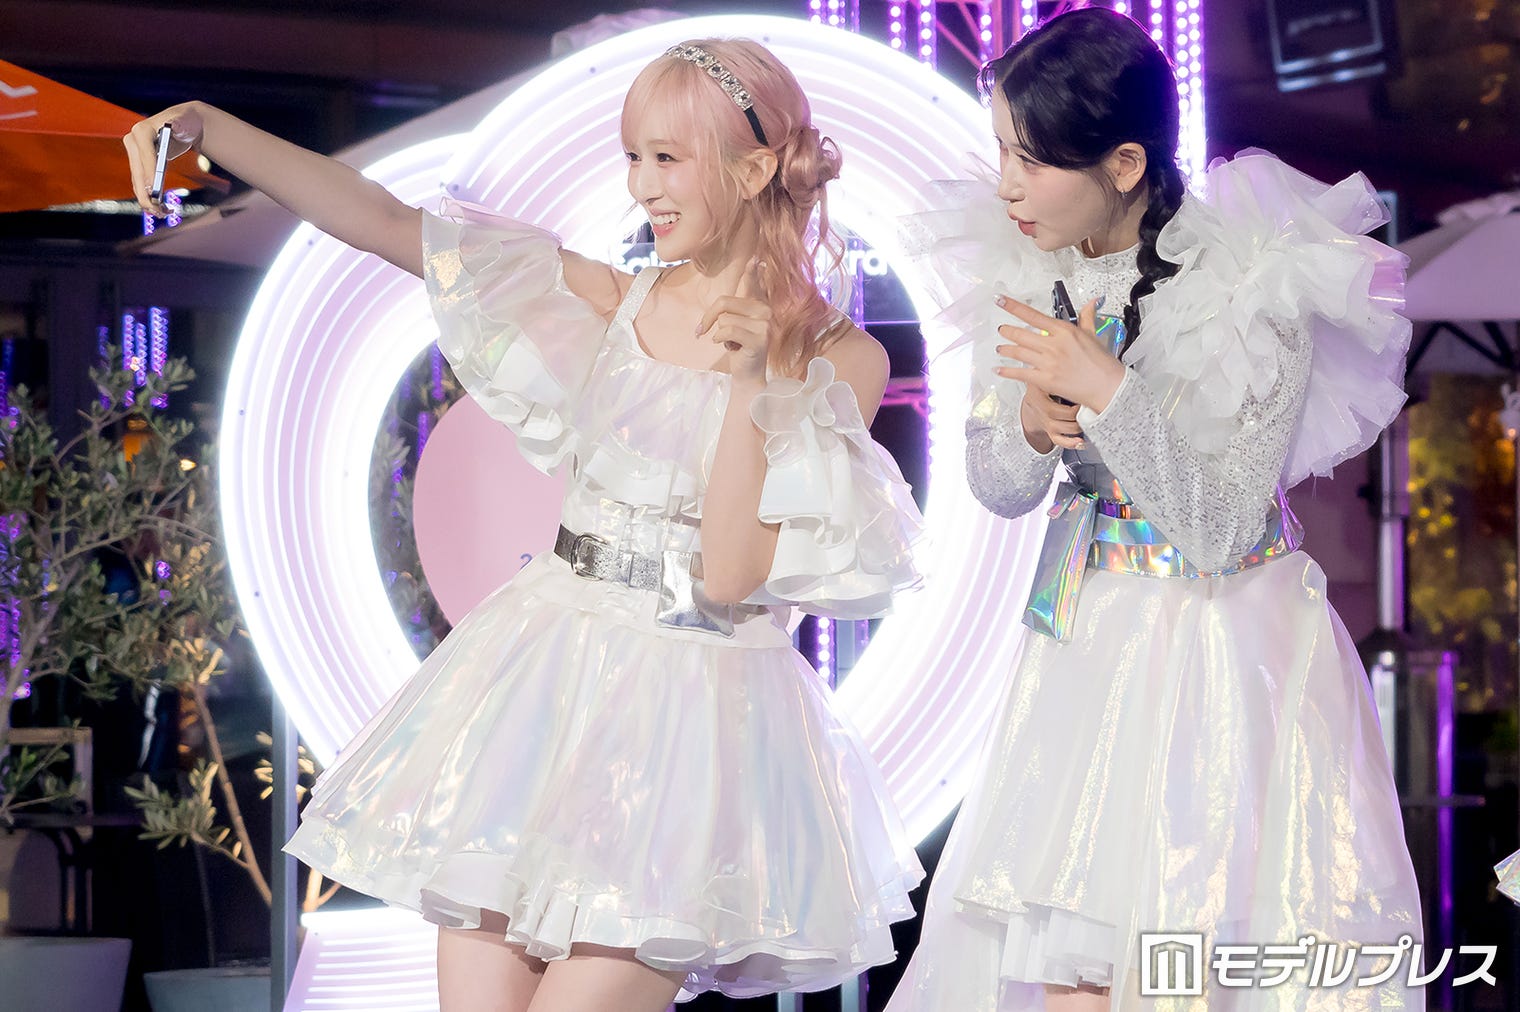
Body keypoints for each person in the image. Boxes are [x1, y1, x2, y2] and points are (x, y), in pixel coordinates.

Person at [127, 38, 925, 1012]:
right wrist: (211, 128)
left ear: (754, 169)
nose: (641, 185)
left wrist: (755, 377)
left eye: (666, 158)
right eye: (632, 156)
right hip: (543, 696)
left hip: (686, 729)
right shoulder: (610, 297)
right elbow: (385, 222)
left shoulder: (841, 360)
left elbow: (726, 576)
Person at [888, 8, 1423, 1011]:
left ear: (1124, 163)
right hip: (1084, 644)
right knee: (1062, 964)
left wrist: (1109, 391)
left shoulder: (1255, 285)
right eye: (1000, 152)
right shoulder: (1024, 269)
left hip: (1223, 651)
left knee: (1182, 960)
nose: (1006, 185)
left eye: (1031, 160)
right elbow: (997, 489)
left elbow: (1222, 528)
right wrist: (1033, 425)